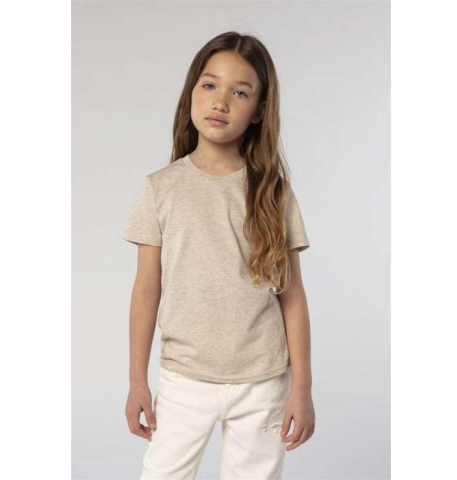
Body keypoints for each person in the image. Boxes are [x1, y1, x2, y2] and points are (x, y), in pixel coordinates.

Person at [123, 31, 316, 480]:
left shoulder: (273, 193)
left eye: (240, 92)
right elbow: (146, 290)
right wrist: (136, 382)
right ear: (191, 91)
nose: (221, 102)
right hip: (184, 378)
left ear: (259, 111)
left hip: (262, 382)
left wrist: (302, 388)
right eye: (210, 85)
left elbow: (292, 297)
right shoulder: (160, 188)